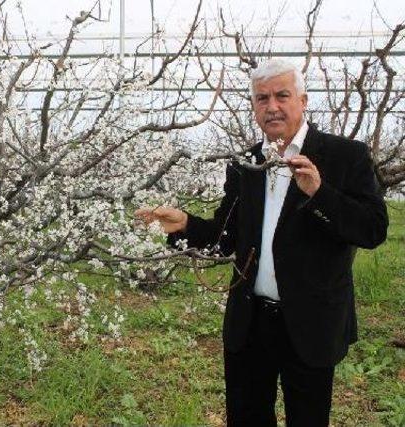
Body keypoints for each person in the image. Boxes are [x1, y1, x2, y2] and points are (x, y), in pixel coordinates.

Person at [135, 59, 388, 426]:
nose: (272, 106)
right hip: (251, 321)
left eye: (282, 96)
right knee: (247, 417)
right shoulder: (245, 163)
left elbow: (373, 230)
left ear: (303, 100)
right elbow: (226, 238)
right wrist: (183, 225)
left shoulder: (344, 155)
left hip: (312, 321)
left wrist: (319, 193)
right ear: (254, 106)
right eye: (262, 98)